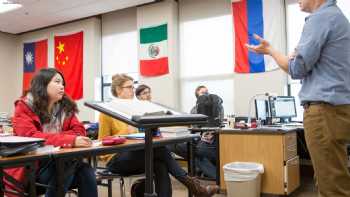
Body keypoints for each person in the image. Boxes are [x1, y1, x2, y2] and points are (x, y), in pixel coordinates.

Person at [246, 0, 350, 196]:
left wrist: (271, 51)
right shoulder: (337, 18)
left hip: (324, 113)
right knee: (330, 177)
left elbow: (296, 68)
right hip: (336, 111)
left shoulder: (320, 19)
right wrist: (292, 57)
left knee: (332, 186)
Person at [98, 74, 219, 197]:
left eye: (133, 87)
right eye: (129, 87)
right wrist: (124, 134)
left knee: (160, 164)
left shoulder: (132, 109)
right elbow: (102, 142)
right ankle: (195, 187)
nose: (133, 91)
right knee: (160, 150)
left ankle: (194, 187)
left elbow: (138, 136)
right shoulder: (107, 111)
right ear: (118, 90)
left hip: (134, 154)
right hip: (115, 160)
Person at [6, 68, 97, 197]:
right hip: (32, 170)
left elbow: (79, 130)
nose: (62, 86)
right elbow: (31, 137)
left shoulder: (65, 107)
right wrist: (69, 140)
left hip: (59, 165)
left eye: (63, 83)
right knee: (67, 164)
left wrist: (64, 140)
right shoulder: (24, 107)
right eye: (57, 82)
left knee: (85, 170)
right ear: (42, 84)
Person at [170, 85, 224, 179]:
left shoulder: (217, 105)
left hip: (209, 140)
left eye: (207, 92)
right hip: (198, 138)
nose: (207, 94)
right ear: (197, 96)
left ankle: (216, 176)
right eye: (203, 93)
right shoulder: (194, 110)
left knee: (195, 152)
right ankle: (206, 172)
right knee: (173, 146)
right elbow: (194, 129)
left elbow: (217, 124)